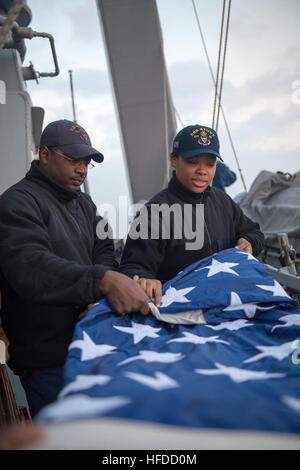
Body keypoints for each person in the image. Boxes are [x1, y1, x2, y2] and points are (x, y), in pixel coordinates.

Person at [0, 119, 149, 418]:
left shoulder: (85, 205)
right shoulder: (16, 203)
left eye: (86, 162)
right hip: (49, 359)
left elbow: (104, 250)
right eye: (73, 160)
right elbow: (31, 267)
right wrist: (101, 282)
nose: (81, 169)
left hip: (93, 344)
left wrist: (97, 292)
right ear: (45, 155)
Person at [119, 124, 264, 305]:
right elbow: (133, 267)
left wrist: (249, 242)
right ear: (174, 160)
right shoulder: (154, 213)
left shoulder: (223, 201)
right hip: (184, 313)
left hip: (229, 303)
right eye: (193, 162)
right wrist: (143, 279)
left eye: (210, 164)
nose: (202, 170)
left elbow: (253, 231)